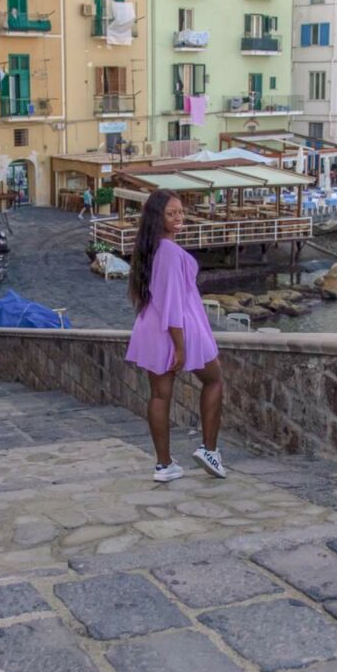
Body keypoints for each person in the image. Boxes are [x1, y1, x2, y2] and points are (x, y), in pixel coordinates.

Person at [126, 190, 225, 482]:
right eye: (171, 213)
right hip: (177, 328)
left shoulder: (150, 248)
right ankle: (209, 449)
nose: (179, 217)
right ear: (158, 217)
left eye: (181, 212)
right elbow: (171, 303)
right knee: (214, 379)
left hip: (151, 328)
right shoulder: (168, 251)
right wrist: (180, 348)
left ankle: (164, 465)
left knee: (159, 395)